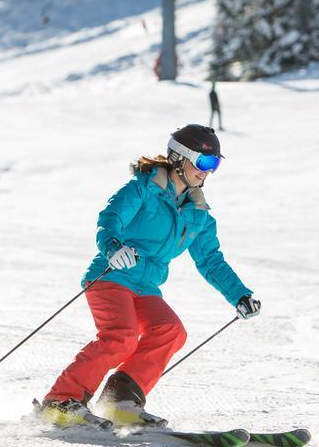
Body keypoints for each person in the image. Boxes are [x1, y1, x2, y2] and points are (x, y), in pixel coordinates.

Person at [36, 124, 261, 428]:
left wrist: (240, 295)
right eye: (204, 163)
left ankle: (121, 401)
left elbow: (210, 260)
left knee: (170, 330)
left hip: (146, 286)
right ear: (179, 158)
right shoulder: (142, 189)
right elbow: (110, 219)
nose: (207, 172)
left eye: (215, 165)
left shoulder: (198, 214)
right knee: (121, 337)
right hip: (111, 275)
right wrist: (112, 246)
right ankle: (60, 401)